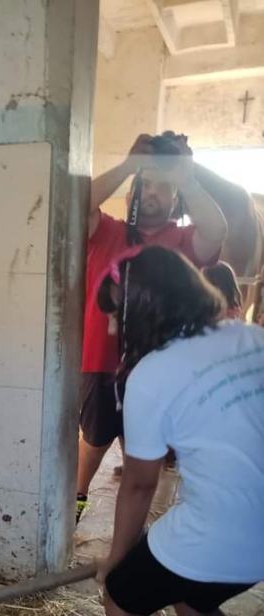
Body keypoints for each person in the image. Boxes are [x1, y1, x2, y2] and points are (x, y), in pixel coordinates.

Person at [66, 246, 264, 616]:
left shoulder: (152, 373)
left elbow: (137, 484)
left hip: (223, 533)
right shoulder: (250, 337)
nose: (109, 323)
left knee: (125, 596)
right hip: (256, 533)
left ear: (140, 313)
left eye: (114, 311)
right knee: (196, 602)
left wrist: (116, 557)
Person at [77, 133, 227, 523]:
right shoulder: (105, 231)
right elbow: (75, 203)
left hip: (158, 368)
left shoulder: (181, 240)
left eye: (163, 187)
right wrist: (129, 165)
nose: (153, 193)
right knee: (93, 441)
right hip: (100, 362)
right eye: (146, 184)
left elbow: (216, 230)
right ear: (129, 194)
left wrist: (187, 178)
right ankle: (76, 501)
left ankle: (131, 528)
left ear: (175, 199)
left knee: (143, 452)